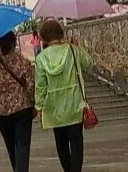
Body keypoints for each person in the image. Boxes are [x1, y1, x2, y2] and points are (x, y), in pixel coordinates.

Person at [35, 19, 94, 172]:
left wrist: (39, 107)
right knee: (76, 141)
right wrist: (77, 47)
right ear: (61, 33)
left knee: (61, 142)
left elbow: (41, 86)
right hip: (75, 104)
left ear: (43, 37)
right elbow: (89, 63)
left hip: (54, 108)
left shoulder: (41, 58)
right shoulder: (72, 50)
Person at [0, 31, 35, 172]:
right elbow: (31, 85)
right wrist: (33, 102)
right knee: (23, 146)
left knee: (11, 147)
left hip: (2, 112)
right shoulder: (23, 61)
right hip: (22, 108)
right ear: (14, 44)